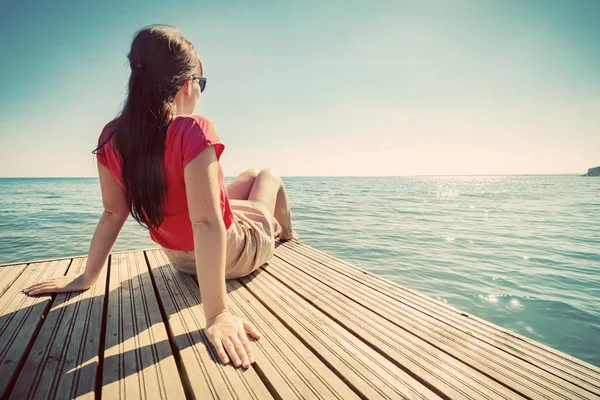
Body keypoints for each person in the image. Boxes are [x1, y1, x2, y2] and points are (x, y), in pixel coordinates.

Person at [21, 25, 298, 370]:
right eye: (202, 82)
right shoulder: (192, 128)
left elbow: (112, 214)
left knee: (246, 177)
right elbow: (207, 221)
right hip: (232, 253)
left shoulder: (111, 136)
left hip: (180, 258)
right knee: (267, 176)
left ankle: (266, 217)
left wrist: (86, 277)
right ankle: (285, 234)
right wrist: (218, 314)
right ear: (187, 84)